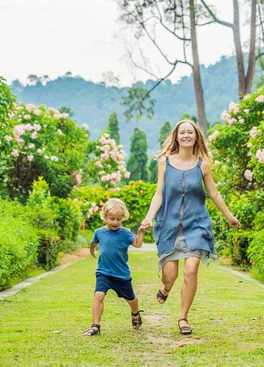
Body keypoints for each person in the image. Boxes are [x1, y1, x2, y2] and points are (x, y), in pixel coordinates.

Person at [140, 119, 240, 335]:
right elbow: (158, 194)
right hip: (169, 226)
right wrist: (149, 217)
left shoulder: (203, 164)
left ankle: (183, 317)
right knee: (170, 274)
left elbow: (214, 193)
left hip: (196, 225)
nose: (186, 135)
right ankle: (166, 288)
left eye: (190, 132)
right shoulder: (164, 163)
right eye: (182, 132)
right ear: (176, 136)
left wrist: (229, 216)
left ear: (196, 137)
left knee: (191, 269)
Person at [83, 198, 146, 336]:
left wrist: (141, 231)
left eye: (119, 219)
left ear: (123, 217)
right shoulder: (99, 232)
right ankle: (95, 326)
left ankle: (135, 313)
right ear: (105, 216)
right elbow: (93, 242)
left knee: (131, 299)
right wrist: (92, 250)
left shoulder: (124, 233)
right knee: (98, 295)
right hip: (103, 272)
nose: (115, 222)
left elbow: (137, 244)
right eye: (112, 218)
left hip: (121, 274)